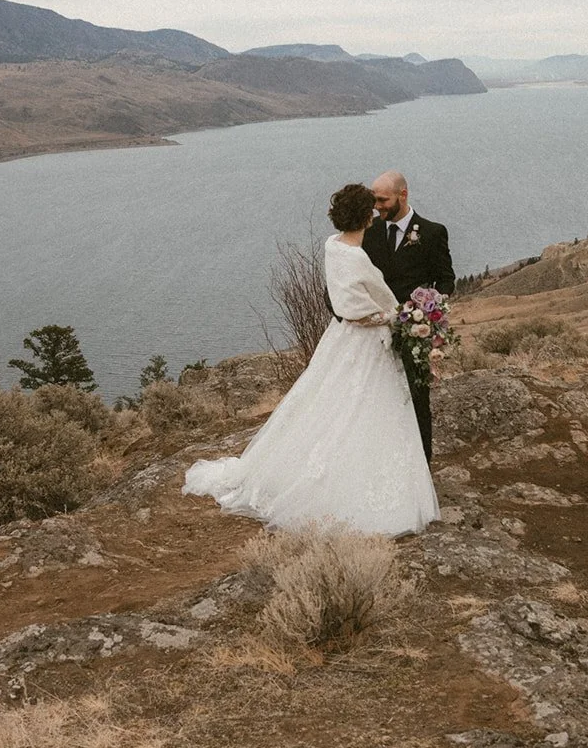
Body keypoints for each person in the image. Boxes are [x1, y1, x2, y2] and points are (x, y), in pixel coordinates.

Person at [181, 183, 439, 536]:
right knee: (366, 408)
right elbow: (372, 308)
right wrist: (403, 316)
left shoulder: (332, 246)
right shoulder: (357, 258)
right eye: (372, 209)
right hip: (364, 345)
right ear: (365, 216)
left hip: (341, 340)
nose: (377, 213)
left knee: (330, 403)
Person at [361, 171, 454, 463]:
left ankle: (422, 467)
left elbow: (446, 280)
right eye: (374, 199)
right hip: (373, 334)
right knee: (377, 399)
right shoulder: (370, 231)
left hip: (414, 334)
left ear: (403, 195)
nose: (377, 206)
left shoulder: (432, 232)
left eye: (382, 199)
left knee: (416, 401)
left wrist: (429, 313)